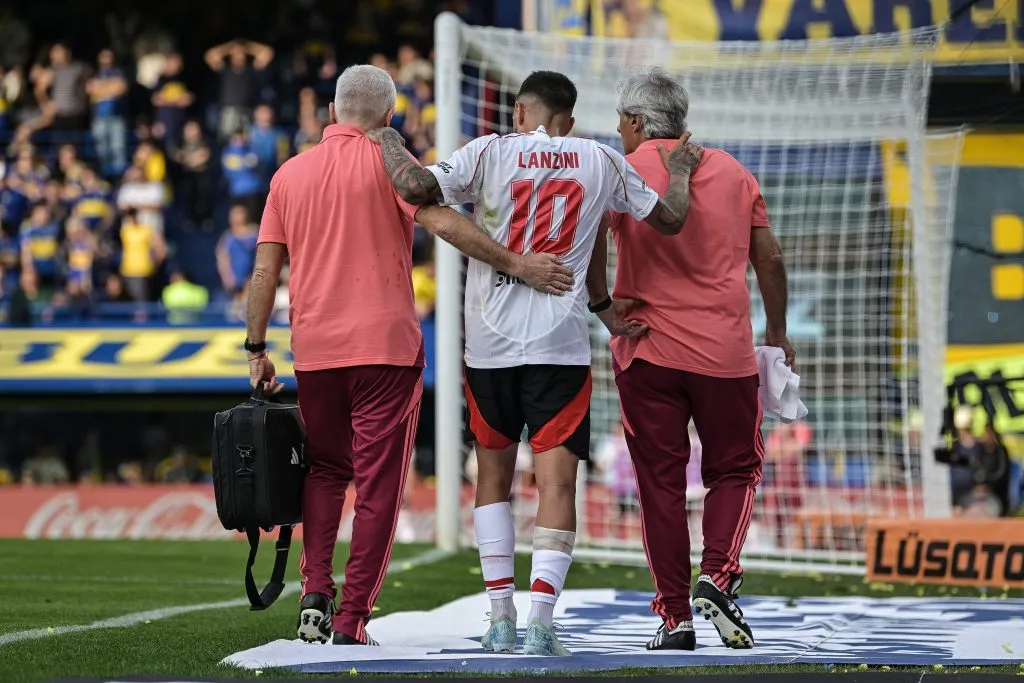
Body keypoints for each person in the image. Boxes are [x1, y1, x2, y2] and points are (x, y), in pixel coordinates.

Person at [245, 65, 574, 648]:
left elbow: (266, 270)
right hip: (387, 350)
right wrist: (517, 263)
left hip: (316, 350)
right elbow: (446, 224)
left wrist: (255, 349)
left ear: (331, 113)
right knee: (377, 486)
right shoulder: (393, 167)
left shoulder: (288, 176)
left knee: (324, 471)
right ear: (390, 118)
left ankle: (315, 593)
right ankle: (350, 621)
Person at [373, 69, 694, 656]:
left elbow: (416, 188)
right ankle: (542, 620)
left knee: (493, 479)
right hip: (560, 346)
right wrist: (679, 172)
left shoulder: (487, 152)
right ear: (568, 119)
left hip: (489, 347)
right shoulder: (599, 158)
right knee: (557, 483)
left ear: (520, 113)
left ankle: (499, 616)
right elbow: (671, 219)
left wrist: (387, 135)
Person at [586, 66, 795, 651]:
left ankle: (674, 618)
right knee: (735, 470)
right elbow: (770, 258)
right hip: (724, 354)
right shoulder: (732, 170)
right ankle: (718, 576)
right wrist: (776, 331)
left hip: (646, 347)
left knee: (659, 485)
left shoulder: (620, 170)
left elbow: (591, 244)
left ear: (633, 121)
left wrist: (603, 307)